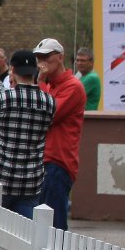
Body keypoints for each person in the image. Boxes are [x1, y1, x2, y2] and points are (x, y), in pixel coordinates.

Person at [0, 50, 57, 218]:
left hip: (0, 175)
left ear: (12, 69)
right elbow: (47, 130)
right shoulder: (49, 101)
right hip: (31, 179)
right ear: (35, 71)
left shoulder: (2, 98)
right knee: (26, 230)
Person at [35, 37, 86, 231]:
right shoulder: (51, 86)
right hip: (46, 160)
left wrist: (40, 82)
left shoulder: (72, 86)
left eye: (47, 56)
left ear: (60, 57)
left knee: (54, 225)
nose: (42, 62)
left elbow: (48, 115)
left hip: (58, 162)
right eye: (39, 57)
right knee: (43, 223)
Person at [75, 47, 101, 111]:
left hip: (88, 115)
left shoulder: (91, 77)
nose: (79, 63)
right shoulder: (82, 76)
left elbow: (71, 96)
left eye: (83, 60)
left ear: (91, 62)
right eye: (77, 60)